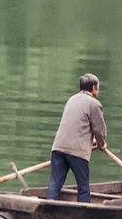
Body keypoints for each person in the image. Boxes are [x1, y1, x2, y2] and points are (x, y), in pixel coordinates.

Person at [46, 73, 108, 203]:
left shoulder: (71, 99)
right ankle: (84, 212)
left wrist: (92, 141)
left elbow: (75, 126)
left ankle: (49, 205)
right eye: (98, 87)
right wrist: (102, 144)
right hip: (77, 152)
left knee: (55, 183)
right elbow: (99, 130)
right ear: (94, 87)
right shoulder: (94, 104)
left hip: (58, 147)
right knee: (83, 186)